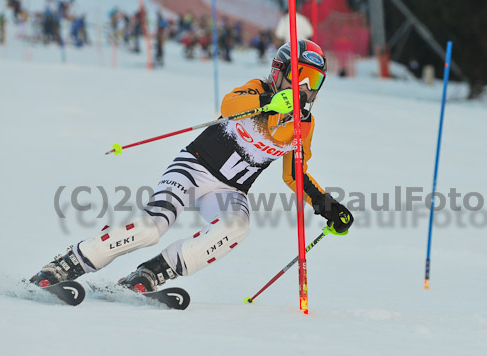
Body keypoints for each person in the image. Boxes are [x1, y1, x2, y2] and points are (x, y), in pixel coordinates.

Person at [29, 40, 354, 293]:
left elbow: (295, 174)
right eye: (300, 76)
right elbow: (230, 105)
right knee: (151, 227)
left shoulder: (303, 127)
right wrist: (269, 103)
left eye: (314, 81)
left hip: (230, 191)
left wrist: (329, 206)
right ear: (279, 71)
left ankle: (154, 271)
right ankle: (71, 262)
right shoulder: (258, 90)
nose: (305, 88)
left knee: (236, 228)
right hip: (193, 168)